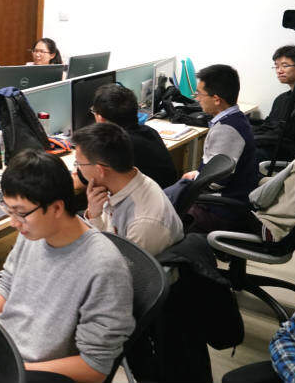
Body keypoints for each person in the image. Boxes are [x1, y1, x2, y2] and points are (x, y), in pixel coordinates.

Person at [0, 149, 135, 383]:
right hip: (1, 349)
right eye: (8, 210)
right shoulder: (34, 231)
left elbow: (94, 367)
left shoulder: (104, 267)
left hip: (31, 372)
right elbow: (8, 284)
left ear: (56, 208)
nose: (14, 223)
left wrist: (14, 369)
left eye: (20, 213)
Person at [167, 64, 260, 234]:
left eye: (199, 94)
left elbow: (216, 182)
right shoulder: (236, 119)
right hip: (231, 198)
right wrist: (197, 174)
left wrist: (195, 178)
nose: (197, 99)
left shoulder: (226, 129)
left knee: (167, 215)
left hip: (223, 210)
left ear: (216, 99)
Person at [73, 122, 183, 256]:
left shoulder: (143, 224)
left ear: (100, 170)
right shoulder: (120, 183)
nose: (77, 170)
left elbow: (116, 264)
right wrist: (94, 215)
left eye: (79, 164)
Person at [90, 83, 179, 188]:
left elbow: (80, 182)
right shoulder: (150, 132)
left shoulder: (116, 145)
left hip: (148, 197)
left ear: (100, 119)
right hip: (166, 194)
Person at [253, 45, 295, 162]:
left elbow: (289, 137)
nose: (279, 71)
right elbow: (269, 125)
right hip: (271, 144)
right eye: (277, 66)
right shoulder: (281, 99)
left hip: (286, 153)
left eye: (285, 66)